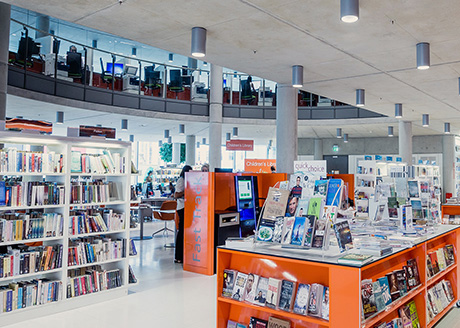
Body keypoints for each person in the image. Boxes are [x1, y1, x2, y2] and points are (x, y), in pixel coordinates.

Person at [174, 165, 193, 263]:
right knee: (181, 232)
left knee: (185, 232)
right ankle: (178, 256)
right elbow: (176, 194)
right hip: (182, 208)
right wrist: (187, 191)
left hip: (187, 208)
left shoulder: (186, 179)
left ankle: (182, 255)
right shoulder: (181, 180)